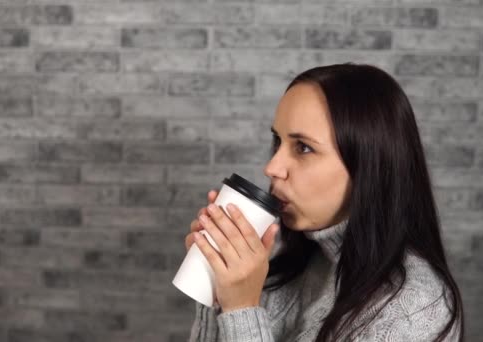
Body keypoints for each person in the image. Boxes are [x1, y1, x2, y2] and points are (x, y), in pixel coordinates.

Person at [184, 63, 464, 341]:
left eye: (303, 148)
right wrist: (218, 287)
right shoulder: (287, 262)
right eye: (277, 141)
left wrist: (242, 310)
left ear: (367, 166)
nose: (272, 167)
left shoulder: (414, 308)